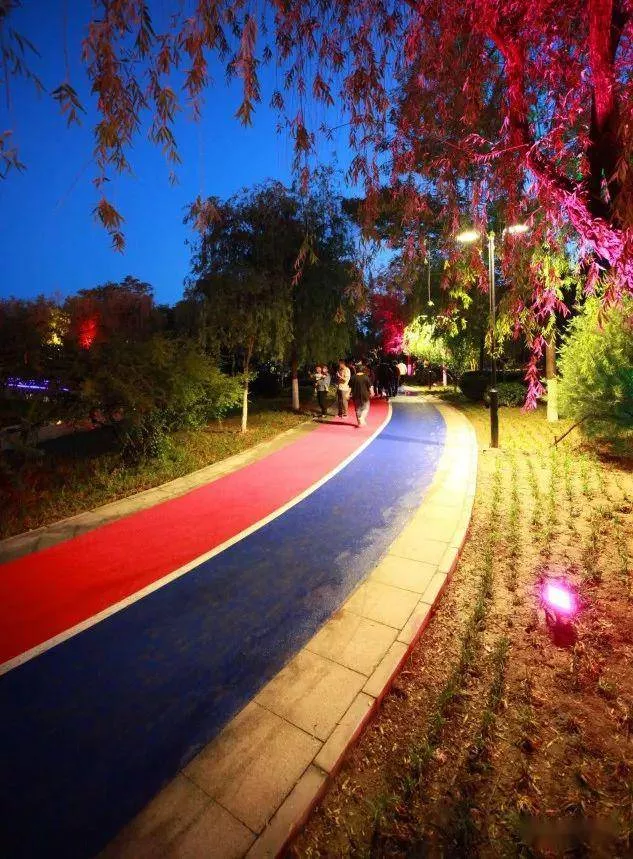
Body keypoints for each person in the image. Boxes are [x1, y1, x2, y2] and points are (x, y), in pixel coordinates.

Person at [350, 361, 372, 427]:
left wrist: (348, 394)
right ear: (363, 370)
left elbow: (350, 387)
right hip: (365, 395)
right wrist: (372, 392)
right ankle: (362, 418)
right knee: (366, 408)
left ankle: (360, 423)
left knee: (357, 409)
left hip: (355, 395)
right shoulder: (366, 377)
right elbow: (370, 387)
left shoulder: (353, 377)